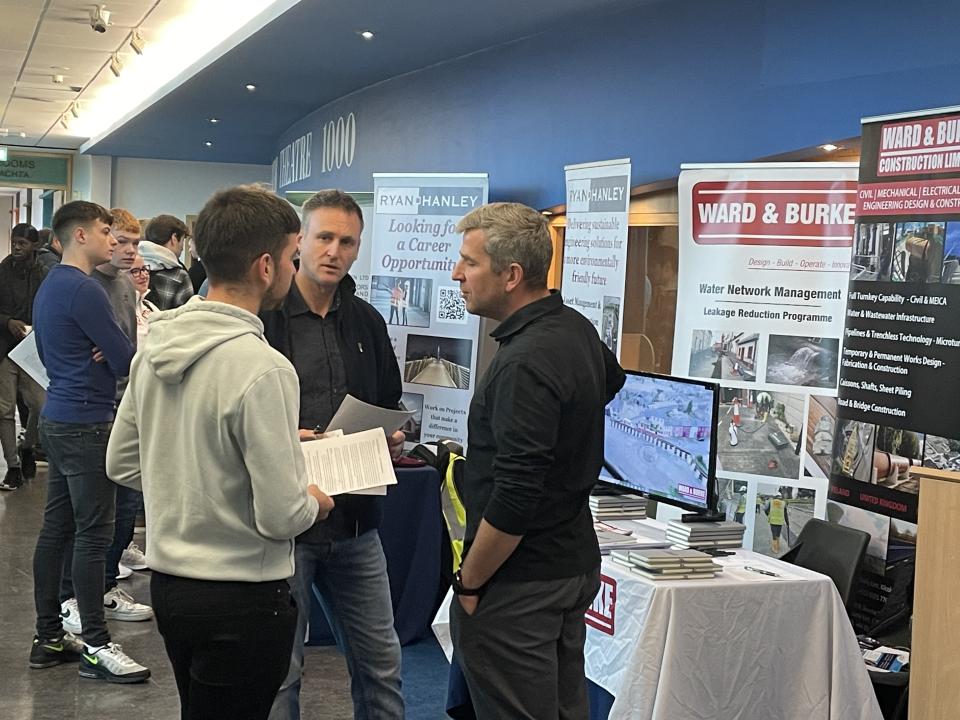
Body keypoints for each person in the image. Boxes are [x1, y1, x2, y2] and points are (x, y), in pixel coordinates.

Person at [106, 185, 334, 719]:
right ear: (264, 265)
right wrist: (318, 501)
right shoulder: (265, 367)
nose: (294, 268)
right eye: (291, 257)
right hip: (244, 599)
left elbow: (122, 461)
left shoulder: (157, 343)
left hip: (172, 590)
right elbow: (282, 515)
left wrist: (206, 459)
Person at [448, 202, 625, 719]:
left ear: (512, 276)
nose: (457, 274)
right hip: (567, 565)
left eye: (470, 263)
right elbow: (610, 381)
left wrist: (471, 581)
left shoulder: (526, 360)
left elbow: (517, 494)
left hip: (519, 582)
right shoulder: (573, 327)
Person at [263, 189, 405, 720]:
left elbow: (386, 403)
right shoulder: (265, 319)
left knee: (381, 665)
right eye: (324, 237)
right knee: (283, 674)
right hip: (286, 525)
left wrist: (391, 440)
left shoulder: (367, 322)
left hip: (355, 522)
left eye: (347, 242)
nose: (334, 251)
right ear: (300, 241)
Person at [29, 201, 148, 681]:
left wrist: (109, 349)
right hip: (87, 424)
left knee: (57, 530)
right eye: (105, 232)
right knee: (93, 535)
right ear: (80, 235)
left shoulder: (51, 286)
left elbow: (54, 350)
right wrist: (112, 348)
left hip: (58, 418)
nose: (113, 241)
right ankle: (97, 645)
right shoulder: (85, 290)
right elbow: (126, 360)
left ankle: (48, 636)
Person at [58, 207, 153, 636]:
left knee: (124, 507)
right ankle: (78, 599)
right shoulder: (83, 285)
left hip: (124, 403)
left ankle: (105, 586)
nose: (126, 249)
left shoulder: (125, 285)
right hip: (92, 410)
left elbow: (125, 345)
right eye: (118, 239)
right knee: (88, 519)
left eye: (134, 243)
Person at [0, 223, 48, 490]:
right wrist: (7, 322)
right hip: (4, 349)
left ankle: (28, 446)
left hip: (33, 348)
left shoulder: (45, 274)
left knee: (40, 406)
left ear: (34, 246)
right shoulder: (1, 272)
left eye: (23, 243)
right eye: (14, 242)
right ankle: (13, 466)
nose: (17, 248)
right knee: (4, 410)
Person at [140, 214, 194, 310]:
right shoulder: (179, 276)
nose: (182, 247)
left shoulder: (129, 268)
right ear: (174, 238)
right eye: (182, 240)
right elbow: (186, 320)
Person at [128, 253, 160, 348]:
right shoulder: (117, 309)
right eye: (135, 271)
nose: (144, 275)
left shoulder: (149, 305)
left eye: (144, 269)